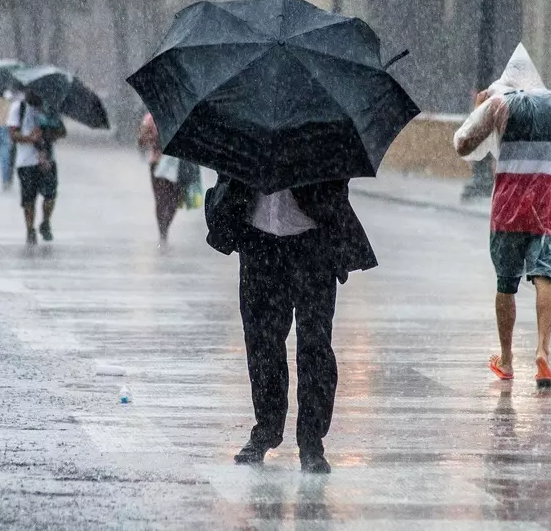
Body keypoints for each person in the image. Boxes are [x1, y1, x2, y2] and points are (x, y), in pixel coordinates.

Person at [204, 174, 377, 474]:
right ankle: (267, 429)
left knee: (315, 344)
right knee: (262, 342)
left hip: (313, 242)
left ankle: (311, 442)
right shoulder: (250, 129)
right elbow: (228, 172)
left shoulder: (320, 130)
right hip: (258, 241)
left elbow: (337, 178)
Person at [453, 44, 551, 388]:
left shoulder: (498, 105)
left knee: (506, 282)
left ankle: (506, 360)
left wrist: (479, 113)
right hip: (547, 207)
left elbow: (463, 145)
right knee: (545, 276)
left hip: (508, 207)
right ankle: (542, 353)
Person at [8, 90, 66, 245]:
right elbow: (13, 135)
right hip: (26, 162)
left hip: (47, 161)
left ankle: (45, 222)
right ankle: (30, 230)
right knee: (29, 199)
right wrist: (30, 138)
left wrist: (48, 134)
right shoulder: (18, 108)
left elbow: (62, 132)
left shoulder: (49, 109)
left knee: (50, 194)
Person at [138, 112, 184, 248]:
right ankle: (163, 231)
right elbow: (141, 140)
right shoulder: (150, 118)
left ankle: (165, 228)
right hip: (157, 164)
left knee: (174, 200)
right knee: (161, 199)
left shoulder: (183, 116)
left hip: (178, 164)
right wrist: (157, 138)